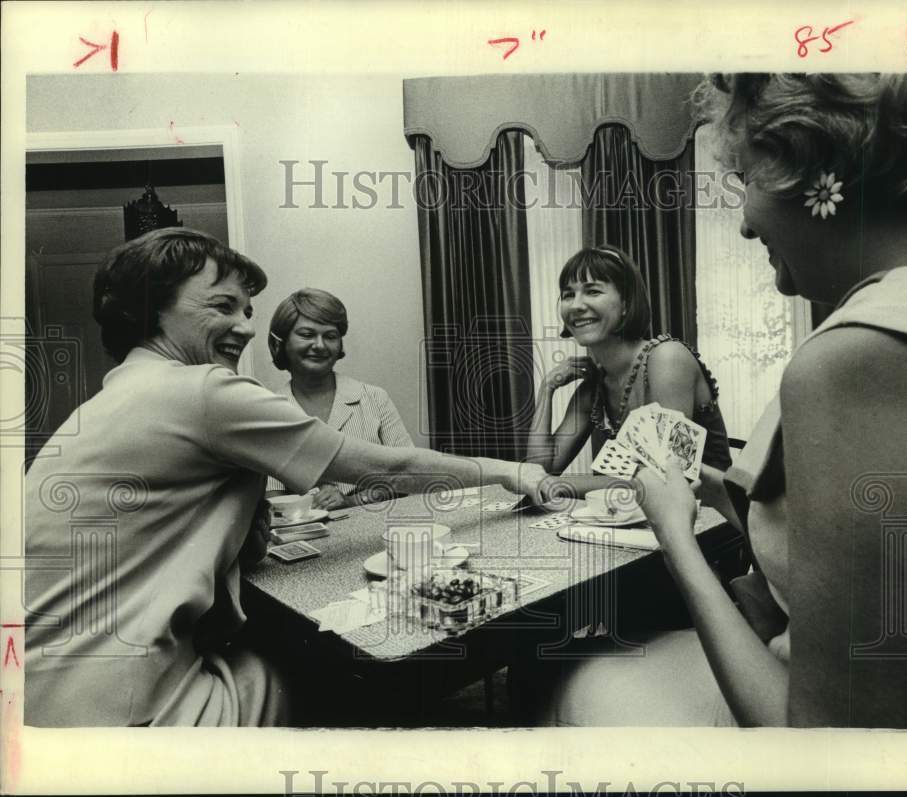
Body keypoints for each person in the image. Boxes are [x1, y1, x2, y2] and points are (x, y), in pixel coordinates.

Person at [542, 72, 907, 728]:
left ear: (818, 171)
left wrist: (673, 532)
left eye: (745, 180)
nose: (744, 223)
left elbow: (833, 748)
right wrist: (728, 490)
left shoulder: (862, 355)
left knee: (582, 675)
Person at [23, 227, 554, 728]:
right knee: (356, 675)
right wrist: (509, 472)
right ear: (150, 307)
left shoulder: (112, 397)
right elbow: (389, 464)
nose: (247, 325)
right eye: (222, 305)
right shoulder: (203, 391)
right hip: (123, 710)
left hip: (36, 692)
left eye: (248, 310)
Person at [526, 244, 732, 475]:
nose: (576, 305)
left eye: (593, 291)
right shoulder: (593, 390)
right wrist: (546, 389)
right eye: (568, 295)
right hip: (645, 509)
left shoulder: (667, 358)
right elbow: (538, 471)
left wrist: (558, 487)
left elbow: (672, 479)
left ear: (626, 303)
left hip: (711, 509)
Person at [265, 288, 413, 510]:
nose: (320, 345)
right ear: (282, 343)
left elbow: (410, 474)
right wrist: (311, 503)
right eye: (306, 334)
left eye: (330, 336)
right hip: (304, 535)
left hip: (375, 526)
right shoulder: (269, 411)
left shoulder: (374, 398)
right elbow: (272, 493)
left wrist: (351, 500)